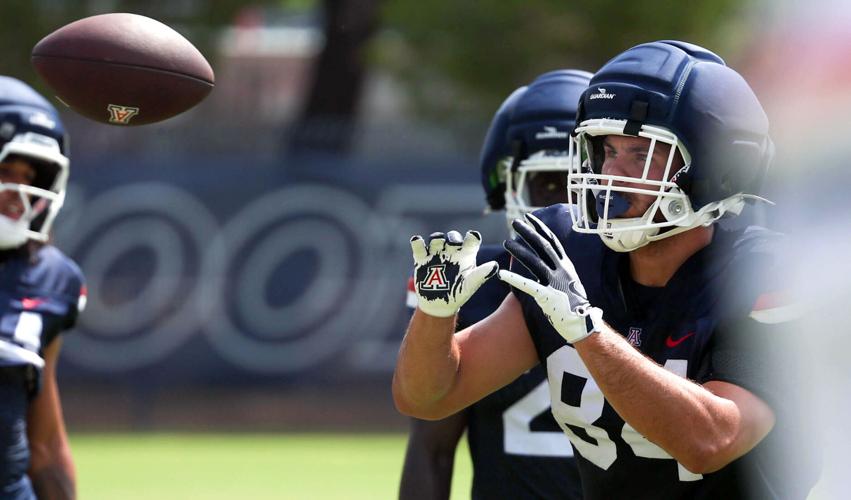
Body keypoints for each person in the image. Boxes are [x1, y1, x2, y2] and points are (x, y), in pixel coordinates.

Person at [393, 41, 819, 498]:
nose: (610, 174)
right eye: (606, 150)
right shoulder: (572, 250)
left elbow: (710, 440)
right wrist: (435, 317)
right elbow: (430, 396)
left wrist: (588, 332)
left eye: (640, 155)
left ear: (716, 168)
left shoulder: (765, 276)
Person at [398, 69, 590, 500]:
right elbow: (432, 448)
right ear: (507, 184)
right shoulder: (474, 281)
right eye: (546, 183)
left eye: (577, 183)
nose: (561, 203)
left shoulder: (643, 276)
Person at [0, 76, 83, 500]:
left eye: (28, 175)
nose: (17, 193)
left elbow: (46, 446)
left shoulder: (50, 277)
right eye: (5, 169)